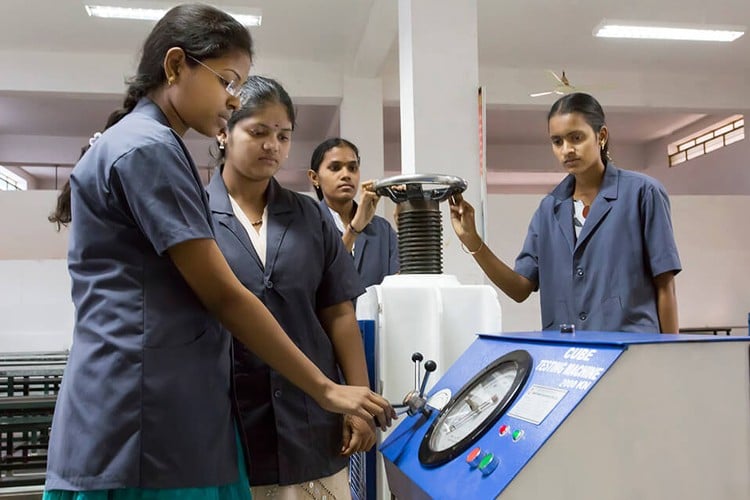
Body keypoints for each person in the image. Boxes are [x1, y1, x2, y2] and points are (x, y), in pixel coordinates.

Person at [43, 4, 393, 499]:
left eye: (284, 135)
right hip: (149, 416)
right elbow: (225, 296)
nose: (232, 99)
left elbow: (336, 308)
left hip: (170, 411)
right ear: (175, 66)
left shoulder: (151, 146)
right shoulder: (150, 150)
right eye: (226, 81)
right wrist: (328, 389)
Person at [207, 76, 375, 499]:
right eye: (258, 132)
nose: (272, 146)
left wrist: (358, 401)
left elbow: (338, 313)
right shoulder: (194, 214)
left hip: (310, 419)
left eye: (283, 135)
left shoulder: (310, 217)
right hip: (224, 419)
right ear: (224, 132)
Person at [450, 92, 681, 334]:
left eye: (576, 138)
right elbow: (520, 289)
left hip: (631, 352)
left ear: (601, 136)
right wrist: (473, 240)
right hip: (567, 354)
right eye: (557, 141)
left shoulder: (642, 194)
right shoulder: (548, 209)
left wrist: (670, 357)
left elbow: (665, 286)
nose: (567, 150)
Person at [308, 138, 399, 290]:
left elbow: (400, 285)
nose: (346, 175)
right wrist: (355, 228)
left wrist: (407, 224)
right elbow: (318, 280)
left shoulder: (382, 229)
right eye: (335, 168)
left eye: (352, 168)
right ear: (314, 177)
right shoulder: (306, 226)